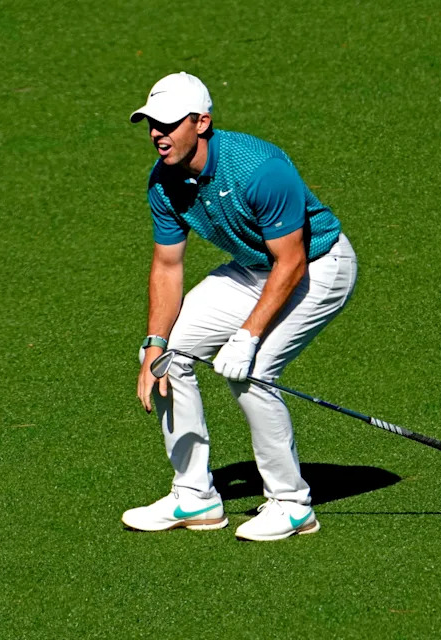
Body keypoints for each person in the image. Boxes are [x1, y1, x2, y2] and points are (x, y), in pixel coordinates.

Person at [122, 72, 358, 541]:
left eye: (169, 124)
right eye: (152, 124)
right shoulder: (163, 182)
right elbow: (167, 266)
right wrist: (154, 342)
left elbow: (291, 261)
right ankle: (195, 496)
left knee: (252, 370)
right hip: (255, 268)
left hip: (318, 267)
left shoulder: (259, 168)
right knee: (168, 355)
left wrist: (247, 337)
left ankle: (292, 505)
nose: (157, 134)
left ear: (201, 122)